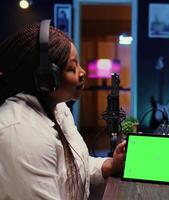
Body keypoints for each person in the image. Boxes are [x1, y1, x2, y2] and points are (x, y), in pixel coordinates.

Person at [0, 22, 126, 199]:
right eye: (72, 68)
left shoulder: (57, 108)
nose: (82, 72)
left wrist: (111, 165)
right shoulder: (22, 133)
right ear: (46, 79)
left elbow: (71, 167)